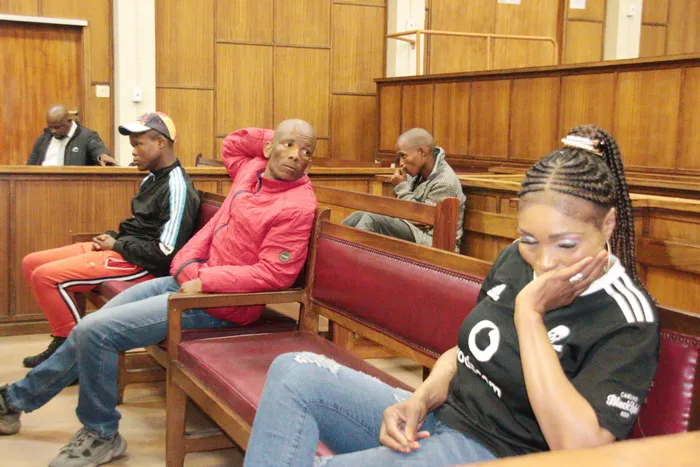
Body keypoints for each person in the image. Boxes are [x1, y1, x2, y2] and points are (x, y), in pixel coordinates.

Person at [242, 124, 659, 467]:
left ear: (607, 225)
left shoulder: (626, 316)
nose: (544, 262)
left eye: (566, 243)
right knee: (293, 372)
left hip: (499, 452)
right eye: (530, 239)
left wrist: (529, 314)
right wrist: (421, 399)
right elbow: (465, 354)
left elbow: (580, 448)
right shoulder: (515, 258)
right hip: (443, 420)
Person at [0, 119, 318, 467]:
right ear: (268, 148)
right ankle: (13, 401)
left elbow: (274, 274)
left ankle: (101, 434)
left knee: (97, 332)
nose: (296, 155)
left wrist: (206, 280)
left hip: (221, 302)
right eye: (288, 145)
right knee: (89, 328)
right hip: (187, 280)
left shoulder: (298, 205)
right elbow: (234, 144)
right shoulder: (252, 170)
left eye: (306, 151)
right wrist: (190, 266)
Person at [20, 111, 201, 368]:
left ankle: (71, 359)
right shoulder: (151, 178)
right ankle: (65, 344)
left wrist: (116, 245)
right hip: (124, 249)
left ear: (161, 143)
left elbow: (166, 252)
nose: (133, 152)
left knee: (45, 277)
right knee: (31, 262)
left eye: (138, 144)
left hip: (141, 265)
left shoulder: (177, 186)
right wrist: (114, 238)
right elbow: (142, 228)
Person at [342, 128, 465, 252]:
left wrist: (401, 187)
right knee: (358, 216)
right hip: (413, 230)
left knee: (372, 220)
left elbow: (421, 220)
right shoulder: (416, 171)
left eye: (403, 156)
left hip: (434, 244)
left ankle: (351, 259)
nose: (401, 163)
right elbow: (409, 216)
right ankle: (337, 254)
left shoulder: (445, 182)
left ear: (422, 152)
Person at [27, 104, 117, 166]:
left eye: (57, 127)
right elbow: (30, 165)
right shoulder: (43, 139)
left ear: (69, 121)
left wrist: (102, 156)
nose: (53, 131)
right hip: (43, 185)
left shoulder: (87, 136)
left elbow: (97, 149)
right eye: (50, 127)